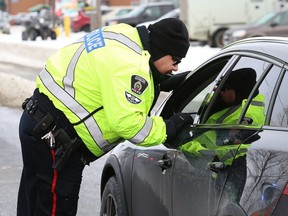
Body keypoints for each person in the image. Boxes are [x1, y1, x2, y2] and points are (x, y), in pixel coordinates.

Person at [17, 18, 193, 216]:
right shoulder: (132, 65)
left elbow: (109, 73)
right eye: (176, 60)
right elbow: (129, 125)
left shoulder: (123, 35)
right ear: (161, 50)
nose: (176, 67)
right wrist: (168, 127)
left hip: (38, 120)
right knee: (53, 209)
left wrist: (156, 79)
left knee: (33, 203)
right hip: (56, 138)